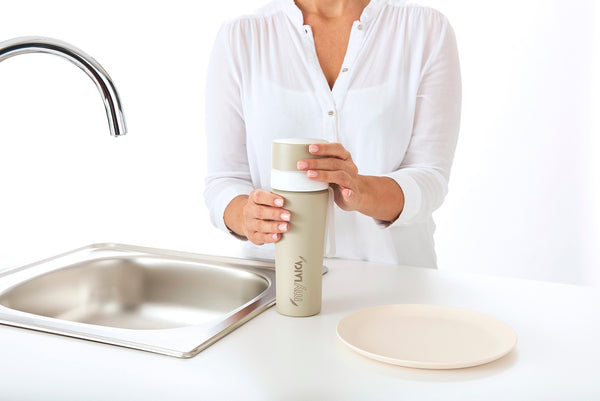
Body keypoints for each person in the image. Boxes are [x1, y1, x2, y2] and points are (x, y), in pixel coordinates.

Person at [204, 0, 461, 267]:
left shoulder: (425, 30)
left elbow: (431, 177)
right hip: (278, 278)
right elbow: (224, 180)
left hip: (396, 280)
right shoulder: (242, 37)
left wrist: (362, 190)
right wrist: (247, 216)